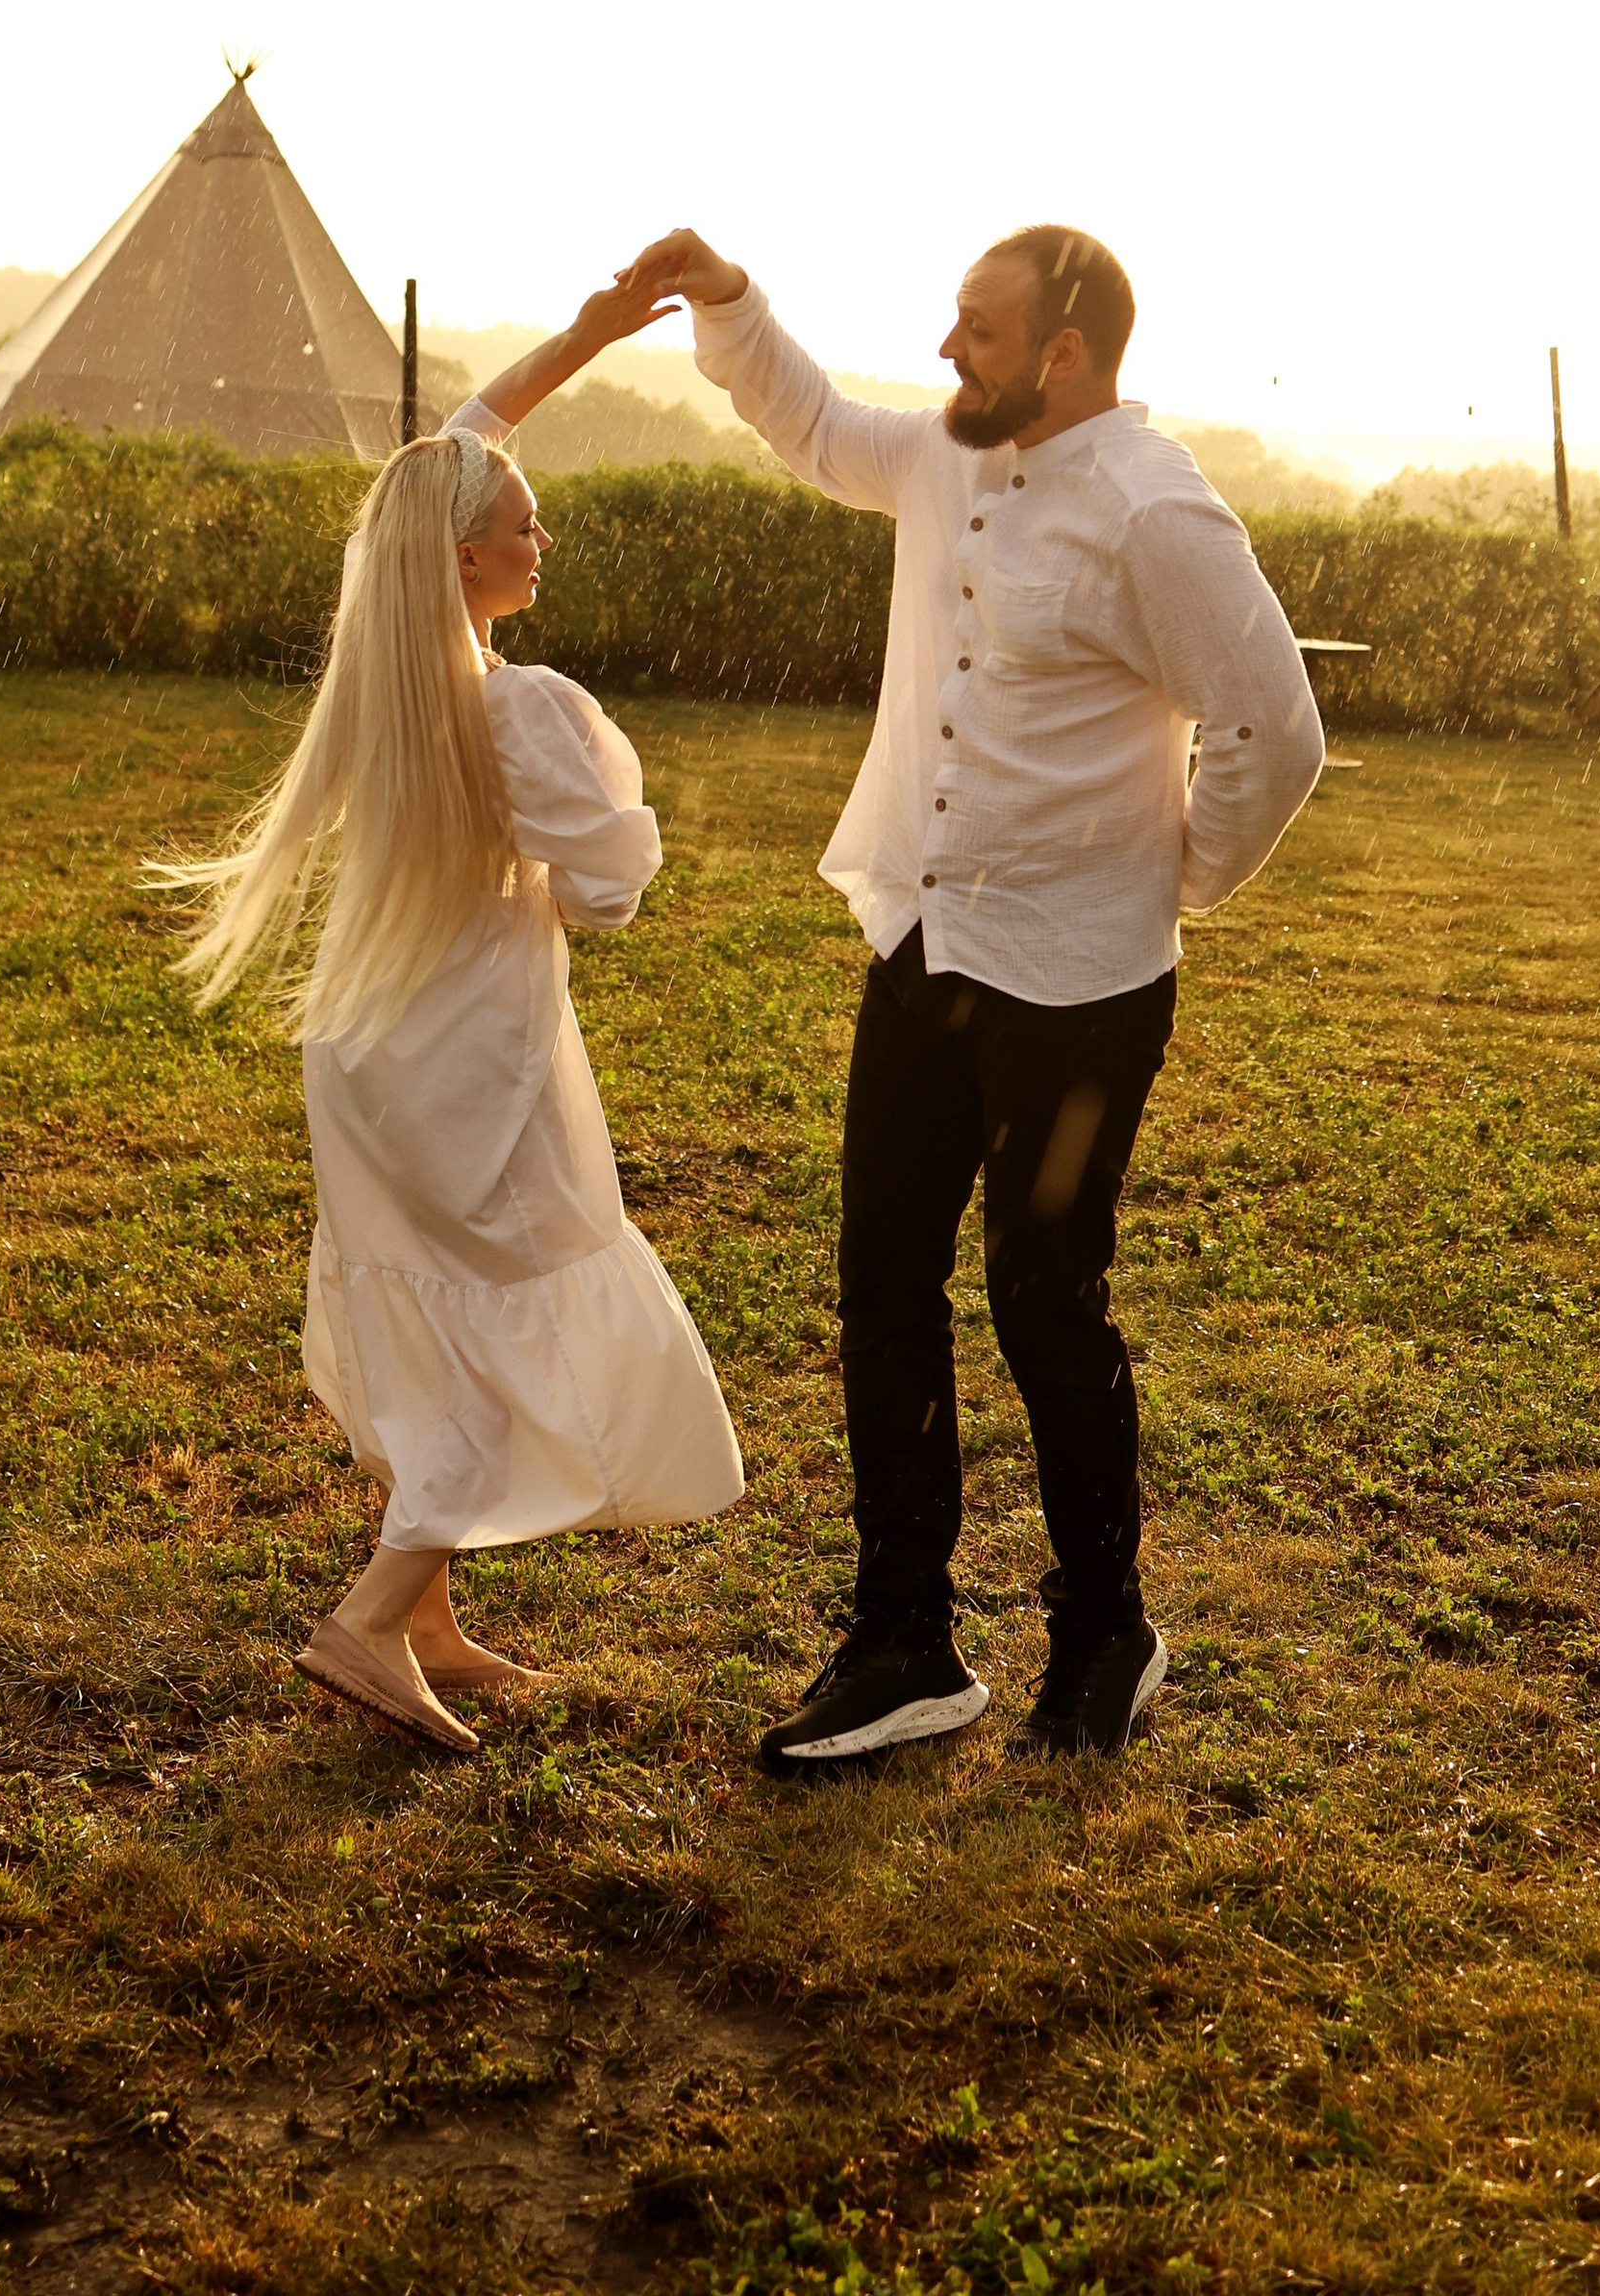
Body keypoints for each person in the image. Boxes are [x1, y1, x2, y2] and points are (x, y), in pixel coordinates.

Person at [624, 222, 1323, 1772]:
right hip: (924, 949)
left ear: (1063, 356)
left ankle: (1105, 1633)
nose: (950, 351)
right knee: (883, 1285)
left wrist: (1166, 882)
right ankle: (902, 1645)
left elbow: (1277, 729)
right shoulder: (945, 458)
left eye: (979, 330)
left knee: (1040, 1303)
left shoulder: (1154, 513)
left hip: (1079, 988)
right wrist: (729, 303)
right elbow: (811, 425)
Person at [162, 290, 743, 1755]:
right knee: (513, 1325)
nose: (544, 543)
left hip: (376, 1057)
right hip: (476, 1068)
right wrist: (607, 804)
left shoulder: (405, 658)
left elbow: (470, 439)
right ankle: (371, 1617)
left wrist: (594, 331)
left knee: (441, 1308)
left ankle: (424, 1614)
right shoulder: (518, 707)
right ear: (467, 557)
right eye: (529, 528)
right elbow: (611, 891)